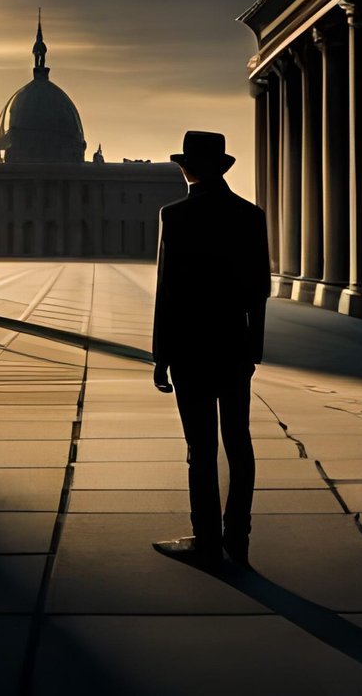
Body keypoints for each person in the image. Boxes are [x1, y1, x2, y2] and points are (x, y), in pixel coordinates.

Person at [150, 130, 270, 569]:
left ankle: (206, 538)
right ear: (221, 168)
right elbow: (260, 290)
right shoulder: (250, 216)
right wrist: (253, 350)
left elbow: (168, 293)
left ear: (186, 168)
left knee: (199, 448)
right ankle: (238, 535)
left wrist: (161, 355)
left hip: (189, 347)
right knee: (239, 443)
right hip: (233, 345)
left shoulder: (175, 216)